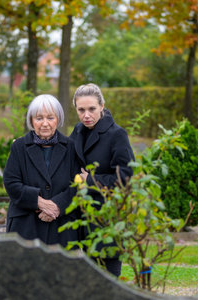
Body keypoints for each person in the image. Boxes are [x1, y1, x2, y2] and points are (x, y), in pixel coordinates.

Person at [70, 83, 135, 277]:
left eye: (91, 109)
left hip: (108, 216)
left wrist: (91, 180)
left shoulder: (117, 135)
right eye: (81, 110)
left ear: (102, 106)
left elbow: (127, 176)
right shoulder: (78, 131)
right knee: (90, 279)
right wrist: (25, 145)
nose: (86, 115)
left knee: (108, 278)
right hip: (83, 214)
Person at [3, 94, 80, 247]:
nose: (45, 123)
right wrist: (40, 202)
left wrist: (57, 206)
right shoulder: (19, 146)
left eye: (50, 118)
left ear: (58, 119)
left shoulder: (71, 146)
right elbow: (11, 183)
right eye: (39, 118)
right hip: (26, 224)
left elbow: (77, 184)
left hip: (62, 225)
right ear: (32, 120)